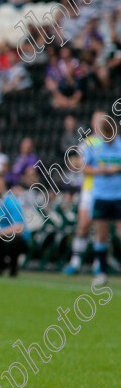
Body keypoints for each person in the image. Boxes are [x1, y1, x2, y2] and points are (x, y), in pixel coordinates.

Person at [82, 115, 121, 286]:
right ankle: (102, 273)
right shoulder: (95, 147)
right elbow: (84, 167)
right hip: (101, 195)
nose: (108, 138)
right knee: (101, 234)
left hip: (119, 195)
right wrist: (100, 171)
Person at [65, 111, 104, 274]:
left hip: (107, 192)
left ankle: (99, 264)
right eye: (96, 120)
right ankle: (75, 261)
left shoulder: (114, 142)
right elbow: (79, 165)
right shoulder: (87, 143)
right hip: (89, 190)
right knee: (83, 226)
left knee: (101, 229)